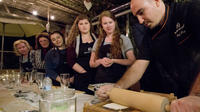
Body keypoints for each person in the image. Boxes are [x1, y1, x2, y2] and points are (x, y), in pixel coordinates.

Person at [97, 0, 200, 112]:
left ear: (156, 1)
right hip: (183, 95)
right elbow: (140, 64)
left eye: (141, 12)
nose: (140, 21)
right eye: (137, 16)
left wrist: (196, 95)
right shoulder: (149, 35)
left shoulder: (190, 10)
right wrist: (117, 87)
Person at [89, 11, 136, 84]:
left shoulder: (123, 39)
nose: (108, 26)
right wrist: (100, 61)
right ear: (101, 26)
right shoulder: (98, 41)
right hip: (100, 82)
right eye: (105, 23)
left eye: (110, 22)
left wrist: (113, 61)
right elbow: (91, 64)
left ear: (115, 22)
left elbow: (132, 61)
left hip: (119, 82)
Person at [66, 15, 96, 94]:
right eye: (81, 24)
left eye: (86, 23)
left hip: (97, 75)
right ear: (77, 26)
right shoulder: (74, 41)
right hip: (81, 76)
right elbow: (70, 61)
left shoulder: (97, 37)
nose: (84, 26)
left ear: (90, 24)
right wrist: (84, 73)